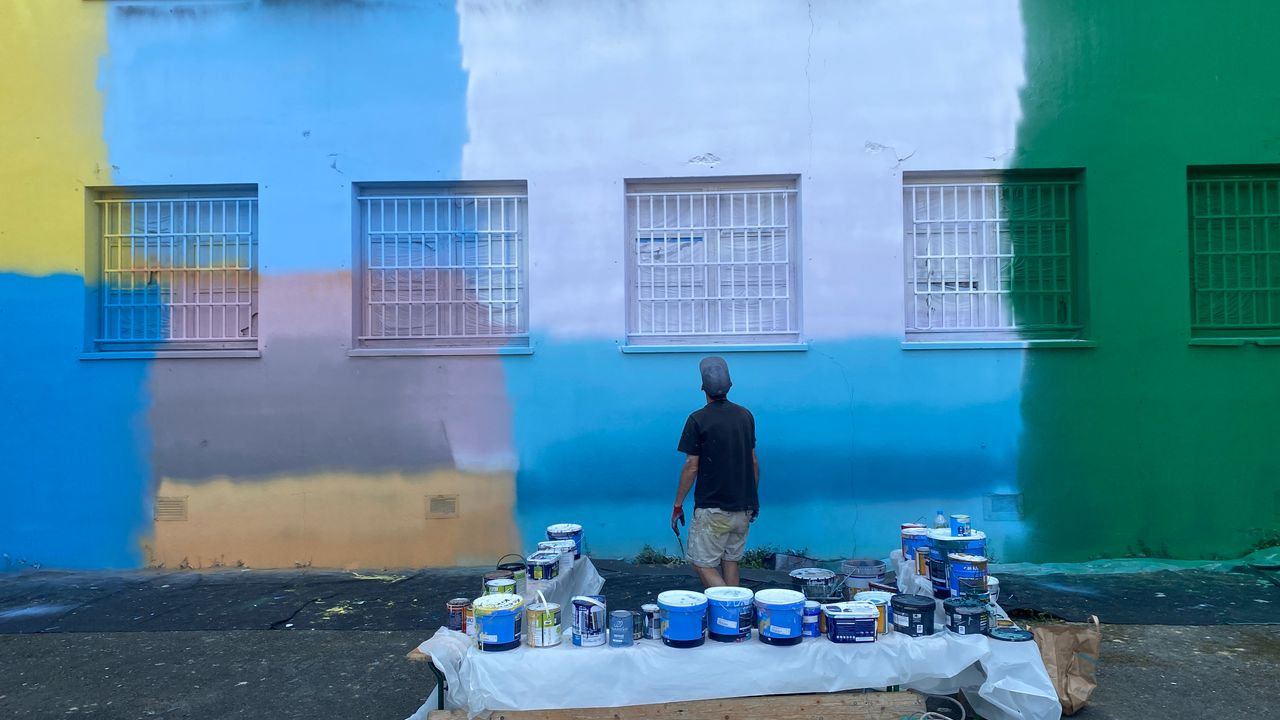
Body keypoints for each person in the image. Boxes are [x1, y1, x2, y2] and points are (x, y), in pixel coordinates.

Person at [671, 356, 760, 588]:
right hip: (742, 508)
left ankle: (728, 612)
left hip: (713, 511)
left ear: (702, 388)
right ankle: (738, 617)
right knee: (730, 561)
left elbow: (692, 466)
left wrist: (678, 505)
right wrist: (753, 499)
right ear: (730, 385)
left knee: (702, 563)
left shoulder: (697, 420)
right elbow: (753, 462)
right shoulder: (745, 416)